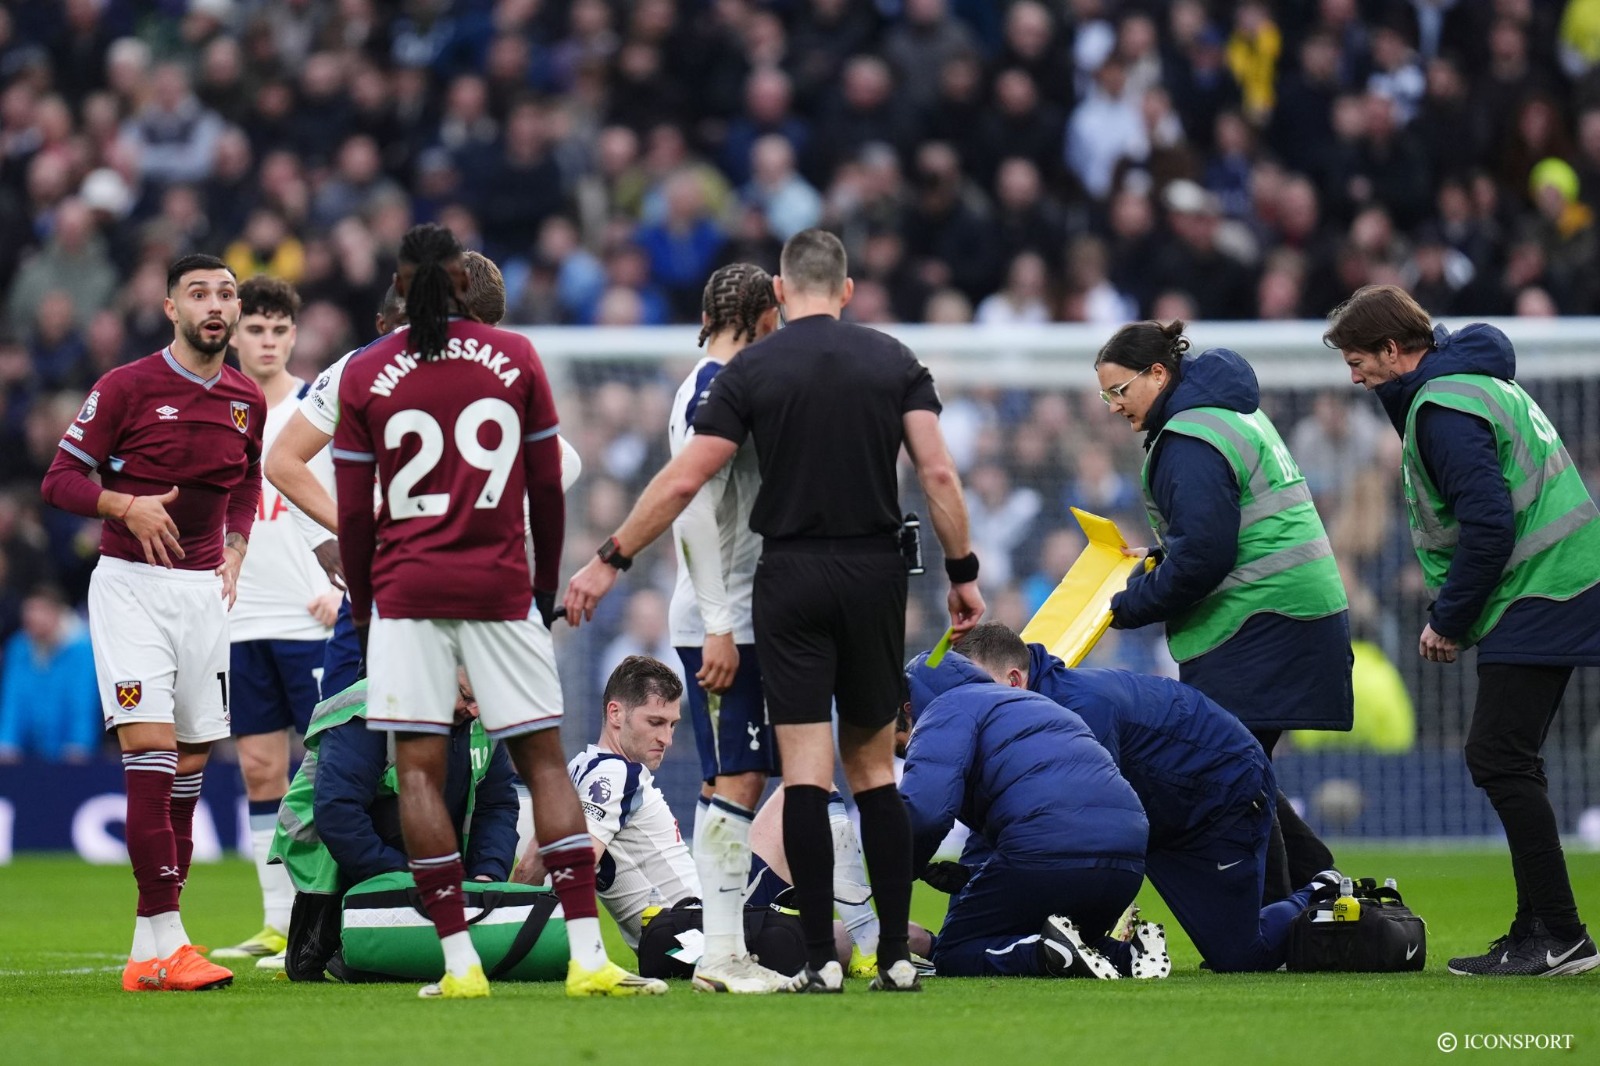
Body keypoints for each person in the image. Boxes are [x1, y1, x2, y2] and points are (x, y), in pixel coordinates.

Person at [565, 228, 984, 994]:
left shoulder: (753, 372)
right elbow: (938, 471)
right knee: (858, 773)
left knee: (796, 772)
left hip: (783, 586)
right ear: (847, 289)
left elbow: (686, 482)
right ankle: (876, 951)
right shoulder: (891, 359)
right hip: (852, 581)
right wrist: (963, 573)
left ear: (785, 295)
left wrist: (611, 556)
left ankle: (819, 960)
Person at [333, 222, 662, 1000]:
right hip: (500, 586)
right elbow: (546, 489)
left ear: (401, 284)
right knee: (542, 758)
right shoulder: (515, 358)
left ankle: (458, 966)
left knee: (417, 770)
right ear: (460, 282)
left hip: (407, 593)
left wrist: (365, 610)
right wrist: (542, 586)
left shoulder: (364, 373)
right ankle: (587, 955)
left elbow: (354, 515)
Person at [1325, 283, 1600, 977]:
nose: (1352, 376)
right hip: (1561, 581)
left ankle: (1561, 935)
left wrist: (1448, 620)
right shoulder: (1473, 386)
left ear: (1393, 349)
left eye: (1358, 359)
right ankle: (1537, 926)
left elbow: (1489, 525)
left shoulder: (1442, 407)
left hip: (1543, 589)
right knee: (1510, 758)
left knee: (1498, 757)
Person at [40, 253, 264, 994]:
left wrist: (235, 546)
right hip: (131, 588)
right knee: (152, 751)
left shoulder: (244, 398)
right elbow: (61, 478)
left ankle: (149, 951)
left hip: (203, 595)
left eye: (226, 293)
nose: (214, 304)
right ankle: (173, 938)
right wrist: (121, 504)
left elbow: (249, 477)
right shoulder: (126, 386)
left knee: (191, 769)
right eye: (198, 292)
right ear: (171, 307)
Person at [1093, 318, 1350, 900]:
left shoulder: (1188, 437)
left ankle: (1282, 918)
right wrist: (1162, 557)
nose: (1112, 406)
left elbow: (1208, 554)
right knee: (1237, 767)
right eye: (1105, 395)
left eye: (1118, 390)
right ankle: (1316, 889)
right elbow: (1220, 533)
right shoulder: (1225, 417)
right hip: (1289, 613)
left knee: (1226, 772)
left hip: (1260, 621)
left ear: (1157, 374)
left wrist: (1129, 604)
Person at [265, 257, 579, 703]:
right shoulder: (492, 373)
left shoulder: (363, 365)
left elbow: (283, 461)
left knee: (355, 745)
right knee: (390, 743)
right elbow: (564, 464)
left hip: (401, 582)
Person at [950, 622, 1340, 973]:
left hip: (1218, 799)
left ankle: (1322, 889)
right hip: (1172, 809)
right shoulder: (1035, 716)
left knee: (1242, 957)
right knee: (1237, 947)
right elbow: (998, 825)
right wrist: (960, 923)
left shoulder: (1079, 710)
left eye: (977, 691)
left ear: (1015, 680)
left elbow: (1091, 826)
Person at [513, 656, 930, 972]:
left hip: (703, 911)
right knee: (813, 786)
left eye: (673, 725)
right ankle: (884, 945)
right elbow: (579, 860)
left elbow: (535, 860)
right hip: (695, 925)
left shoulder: (578, 769)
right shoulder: (613, 773)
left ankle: (888, 941)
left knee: (803, 791)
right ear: (615, 713)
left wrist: (506, 915)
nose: (666, 738)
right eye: (655, 722)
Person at [212, 276, 340, 965]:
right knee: (260, 768)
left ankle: (330, 914)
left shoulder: (315, 406)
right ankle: (276, 918)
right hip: (239, 617)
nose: (265, 341)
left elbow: (351, 497)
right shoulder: (219, 408)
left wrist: (337, 588)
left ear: (293, 336)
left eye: (277, 330)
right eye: (254, 329)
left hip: (309, 614)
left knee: (323, 768)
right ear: (234, 334)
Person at [666, 263, 787, 993]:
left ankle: (724, 942)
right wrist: (717, 623)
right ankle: (721, 951)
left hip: (741, 613)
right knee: (738, 775)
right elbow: (689, 508)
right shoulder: (716, 389)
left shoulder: (718, 381)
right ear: (761, 315)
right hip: (726, 617)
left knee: (733, 775)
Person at [901, 647, 1148, 980]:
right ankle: (1129, 954)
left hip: (1051, 853)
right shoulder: (1036, 704)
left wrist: (901, 869)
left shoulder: (944, 709)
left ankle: (1042, 954)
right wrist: (975, 873)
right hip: (1128, 862)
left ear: (908, 708)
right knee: (1072, 939)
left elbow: (925, 814)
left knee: (954, 953)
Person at [271, 670, 520, 982]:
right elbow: (338, 813)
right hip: (332, 854)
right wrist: (407, 883)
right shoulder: (370, 705)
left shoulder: (479, 715)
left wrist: (486, 878)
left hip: (433, 865)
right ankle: (335, 932)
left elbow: (497, 806)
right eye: (468, 697)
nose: (475, 712)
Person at [0, 584, 100, 764]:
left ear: (58, 613)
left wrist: (79, 744)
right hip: (28, 753)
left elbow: (82, 701)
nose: (32, 618)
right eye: (29, 612)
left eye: (40, 611)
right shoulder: (19, 647)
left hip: (70, 755)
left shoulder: (82, 649)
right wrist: (6, 743)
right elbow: (12, 701)